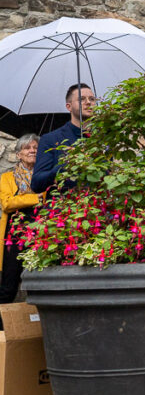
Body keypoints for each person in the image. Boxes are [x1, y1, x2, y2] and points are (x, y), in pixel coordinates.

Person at [31, 83, 95, 193]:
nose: (88, 102)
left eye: (92, 99)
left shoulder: (101, 139)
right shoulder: (50, 139)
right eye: (81, 99)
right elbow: (36, 184)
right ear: (68, 107)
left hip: (97, 207)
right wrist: (63, 166)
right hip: (63, 207)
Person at [0, 134, 39, 303]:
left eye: (35, 148)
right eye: (27, 148)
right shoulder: (7, 178)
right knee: (9, 284)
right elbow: (8, 203)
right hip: (13, 236)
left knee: (38, 283)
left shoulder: (44, 176)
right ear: (18, 155)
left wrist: (21, 200)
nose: (32, 151)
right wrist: (36, 198)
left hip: (40, 233)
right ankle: (3, 326)